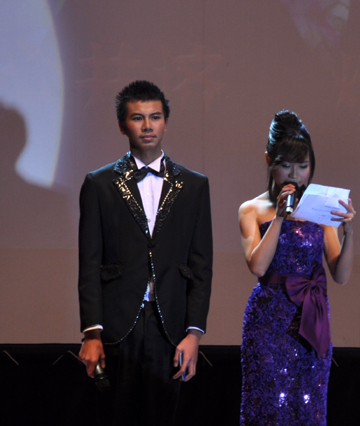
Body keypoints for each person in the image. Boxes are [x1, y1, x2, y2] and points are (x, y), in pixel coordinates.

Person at [77, 80, 213, 425]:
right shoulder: (99, 184)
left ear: (166, 122)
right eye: (137, 118)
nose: (147, 125)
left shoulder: (194, 185)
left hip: (170, 327)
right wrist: (91, 333)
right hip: (116, 324)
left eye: (155, 117)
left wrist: (194, 333)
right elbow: (89, 264)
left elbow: (201, 265)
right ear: (122, 125)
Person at [238, 110, 355, 425]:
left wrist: (349, 232)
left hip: (311, 321)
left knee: (307, 407)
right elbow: (258, 266)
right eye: (286, 165)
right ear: (268, 161)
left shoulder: (320, 208)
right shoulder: (251, 210)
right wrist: (279, 217)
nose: (295, 175)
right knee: (267, 407)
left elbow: (341, 276)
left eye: (303, 166)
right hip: (268, 323)